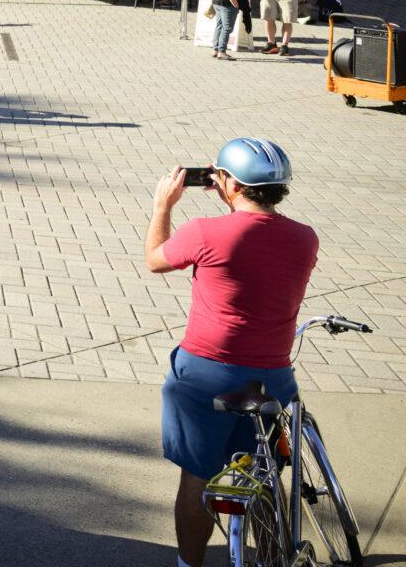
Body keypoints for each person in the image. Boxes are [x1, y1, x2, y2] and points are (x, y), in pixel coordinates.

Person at [145, 139, 317, 567]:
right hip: (272, 378)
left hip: (206, 374)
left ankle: (190, 564)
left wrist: (162, 206)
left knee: (197, 477)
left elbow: (154, 260)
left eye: (218, 173)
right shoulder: (305, 238)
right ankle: (272, 557)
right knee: (263, 473)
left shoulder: (204, 231)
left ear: (231, 184)